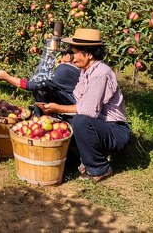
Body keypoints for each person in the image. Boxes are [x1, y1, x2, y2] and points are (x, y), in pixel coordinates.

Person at [41, 28, 131, 182]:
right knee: (50, 94)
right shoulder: (86, 70)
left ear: (89, 54)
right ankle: (76, 156)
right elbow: (77, 97)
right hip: (99, 125)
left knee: (81, 121)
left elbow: (87, 111)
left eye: (75, 52)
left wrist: (57, 108)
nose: (72, 57)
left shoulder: (100, 74)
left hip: (114, 130)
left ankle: (99, 168)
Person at [0, 42, 80, 117]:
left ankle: (43, 116)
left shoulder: (64, 69)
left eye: (61, 58)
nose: (59, 61)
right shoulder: (79, 71)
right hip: (72, 109)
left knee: (40, 89)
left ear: (68, 56)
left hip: (68, 115)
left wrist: (7, 77)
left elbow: (33, 85)